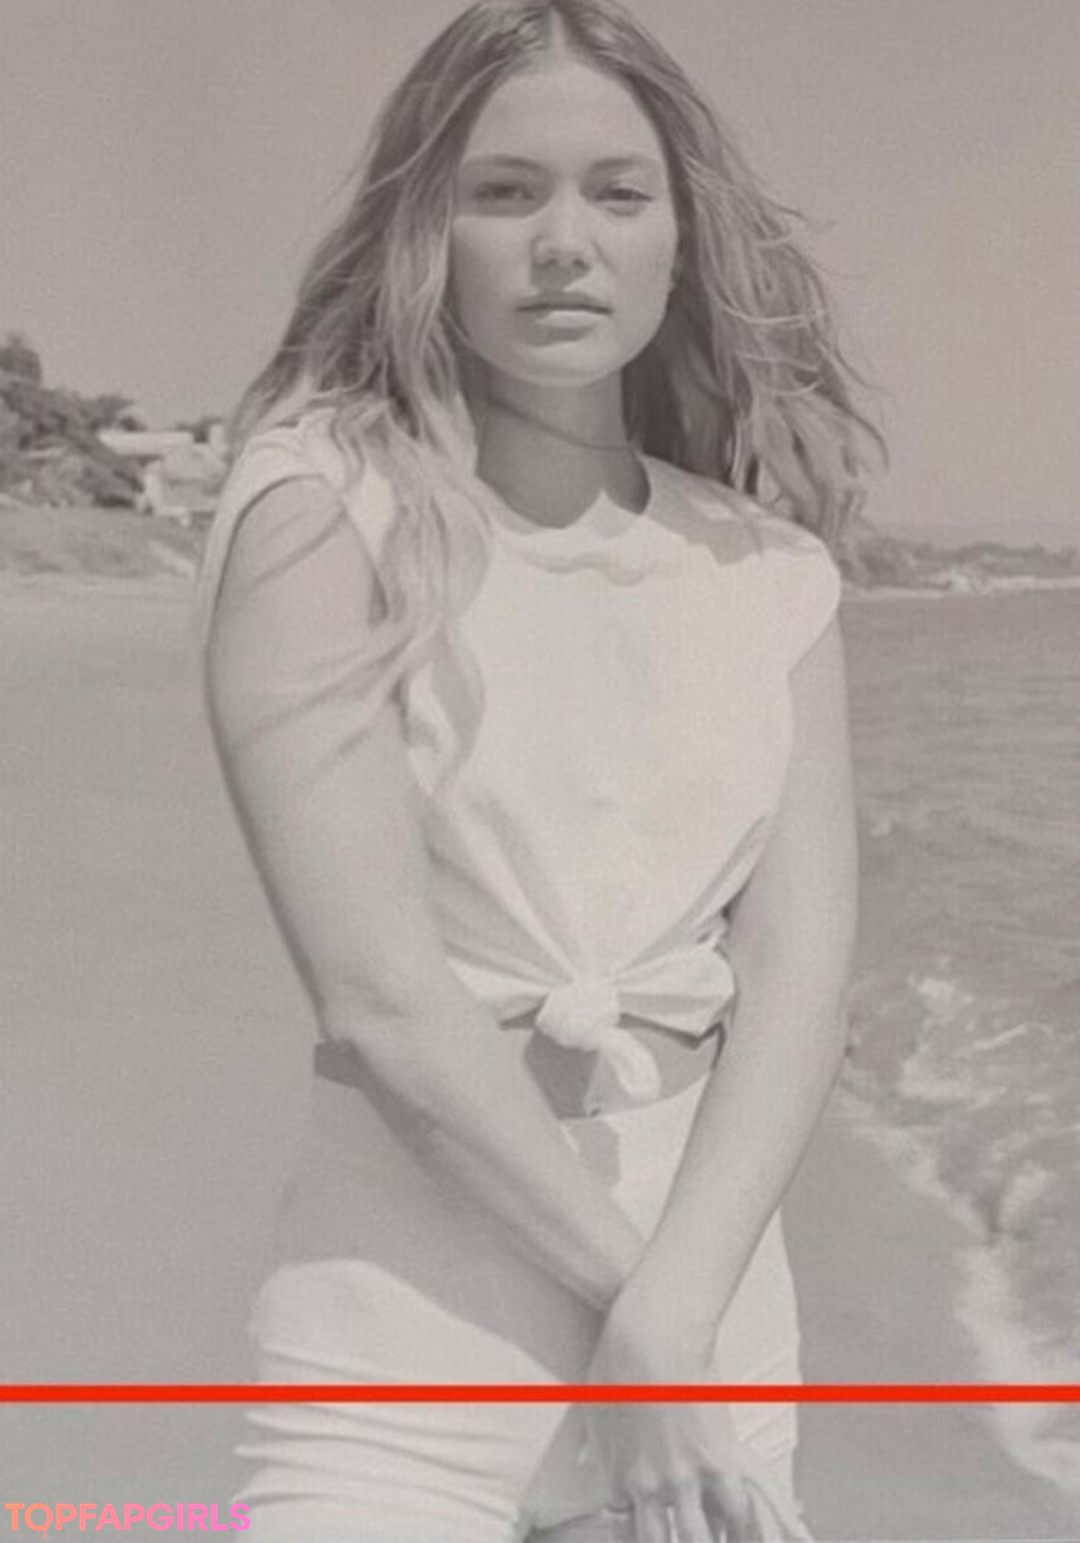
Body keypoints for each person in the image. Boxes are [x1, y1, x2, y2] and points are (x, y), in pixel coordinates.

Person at [196, 2, 880, 1538]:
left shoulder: (769, 570)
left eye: (617, 193)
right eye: (504, 192)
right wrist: (648, 1327)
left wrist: (676, 1329)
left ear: (680, 239)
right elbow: (379, 999)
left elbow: (799, 986)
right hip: (404, 1357)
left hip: (706, 1326)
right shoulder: (323, 511)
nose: (564, 242)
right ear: (423, 227)